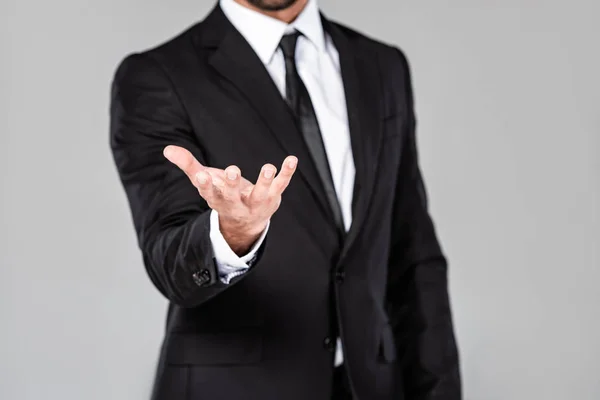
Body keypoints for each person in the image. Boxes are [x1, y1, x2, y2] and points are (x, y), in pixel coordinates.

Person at [110, 0, 461, 398]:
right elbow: (168, 262)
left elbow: (413, 257)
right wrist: (232, 234)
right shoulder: (156, 76)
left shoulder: (383, 67)